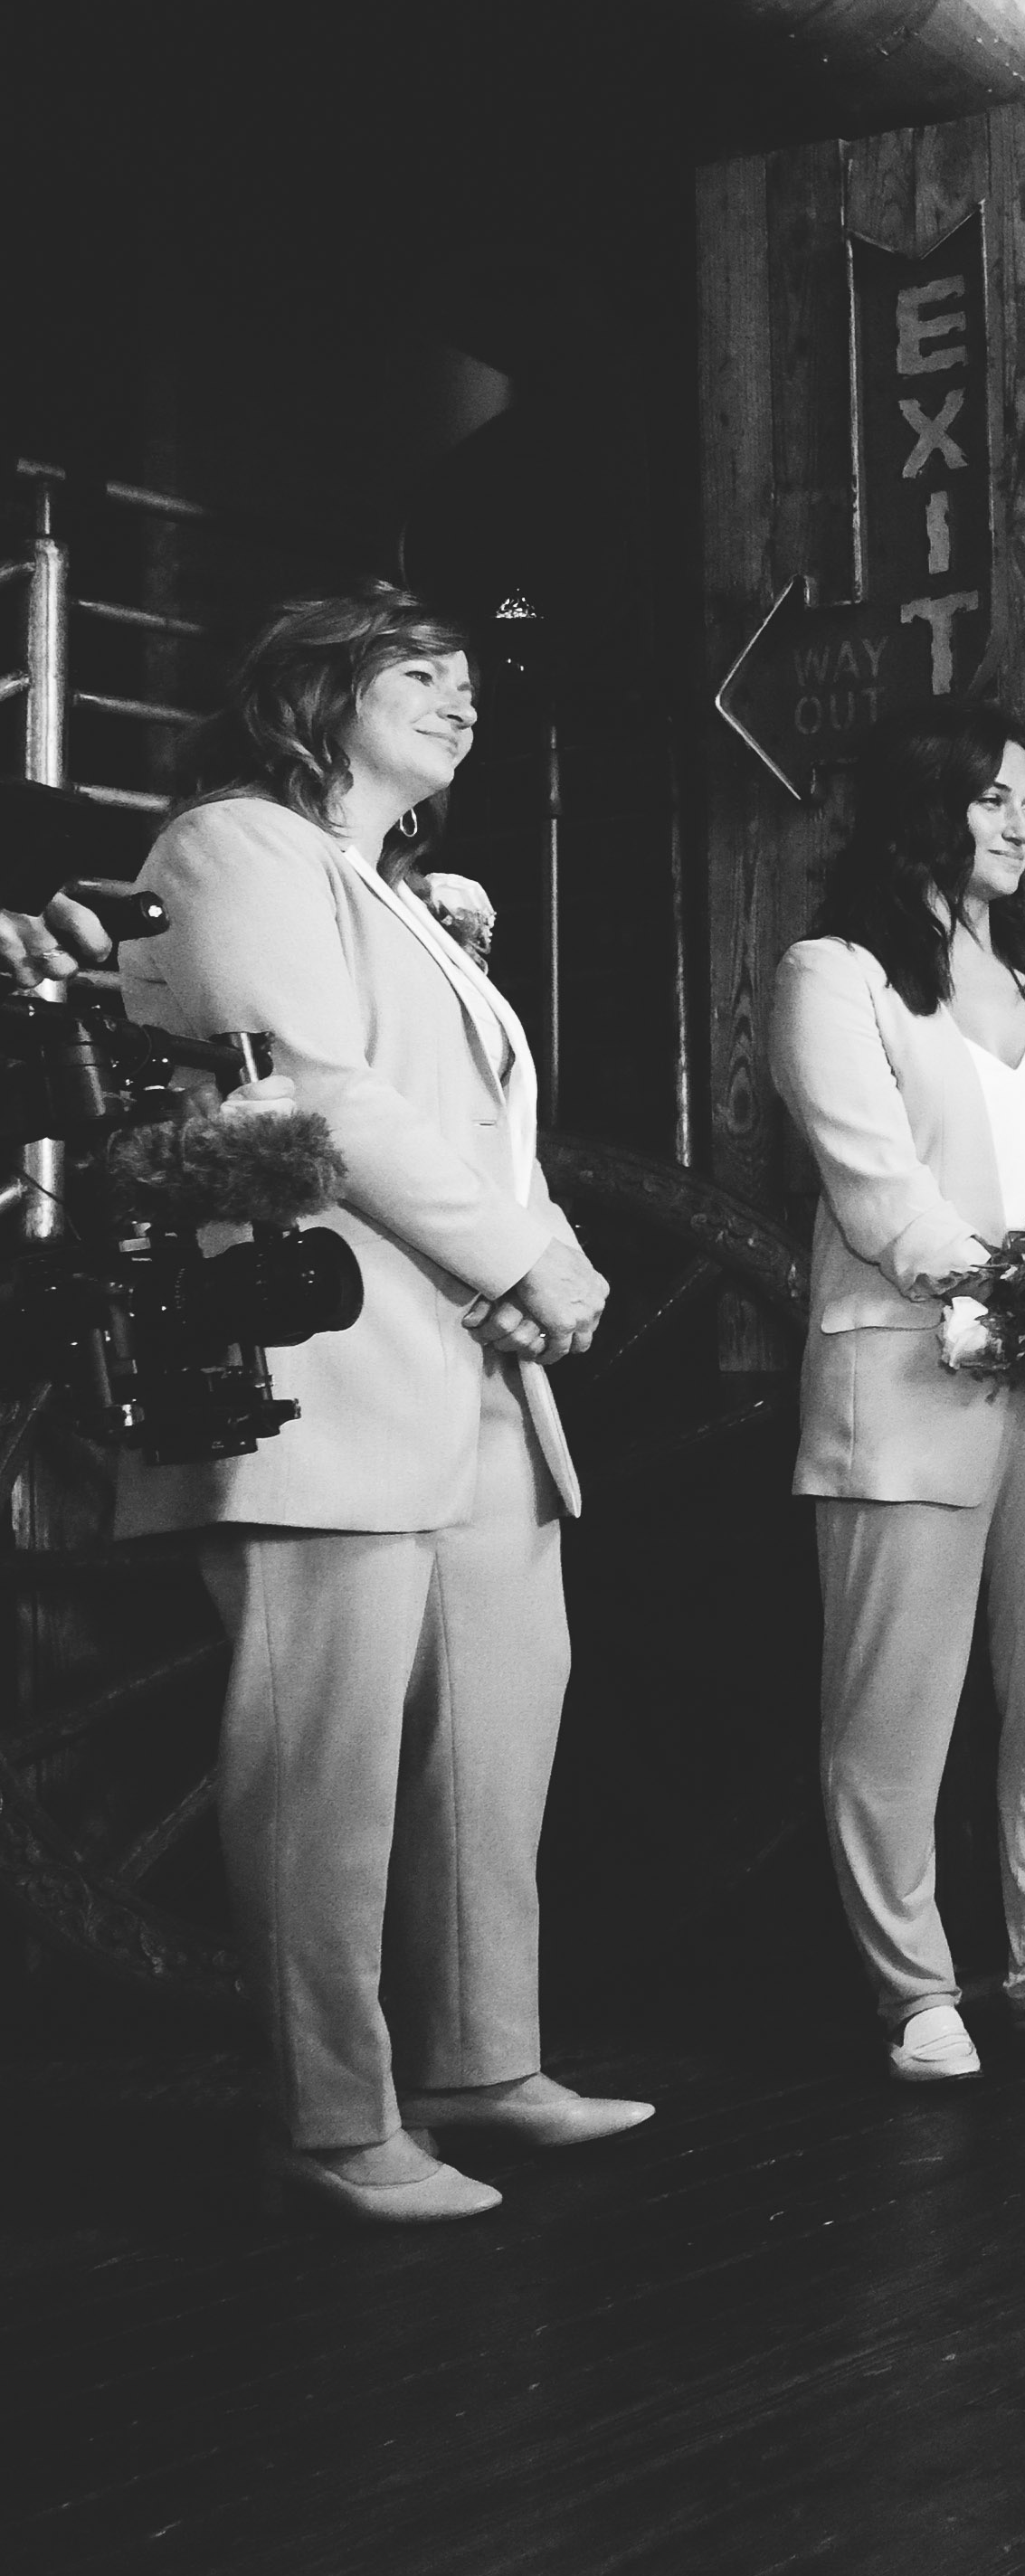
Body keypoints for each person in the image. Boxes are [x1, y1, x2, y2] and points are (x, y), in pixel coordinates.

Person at [124, 588, 642, 2225]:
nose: (460, 697)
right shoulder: (233, 846)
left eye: (471, 682)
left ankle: (484, 2058)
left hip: (469, 1357)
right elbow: (313, 1090)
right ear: (315, 689)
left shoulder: (400, 896)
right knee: (323, 1755)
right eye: (419, 670)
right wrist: (528, 1253)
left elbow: (467, 1120)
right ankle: (333, 2116)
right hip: (326, 1358)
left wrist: (513, 1271)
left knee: (500, 1719)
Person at [771, 705, 1025, 2083]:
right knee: (894, 1706)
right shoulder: (835, 976)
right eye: (994, 798)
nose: (1021, 824)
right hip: (915, 1377)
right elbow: (878, 1188)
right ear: (922, 807)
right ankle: (914, 1991)